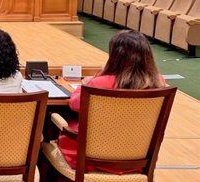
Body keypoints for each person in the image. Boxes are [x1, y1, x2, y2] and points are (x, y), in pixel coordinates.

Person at [58, 30, 166, 172]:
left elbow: (74, 104)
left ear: (115, 56)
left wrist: (90, 81)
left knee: (59, 123)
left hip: (94, 156)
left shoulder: (99, 83)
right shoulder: (158, 82)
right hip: (137, 156)